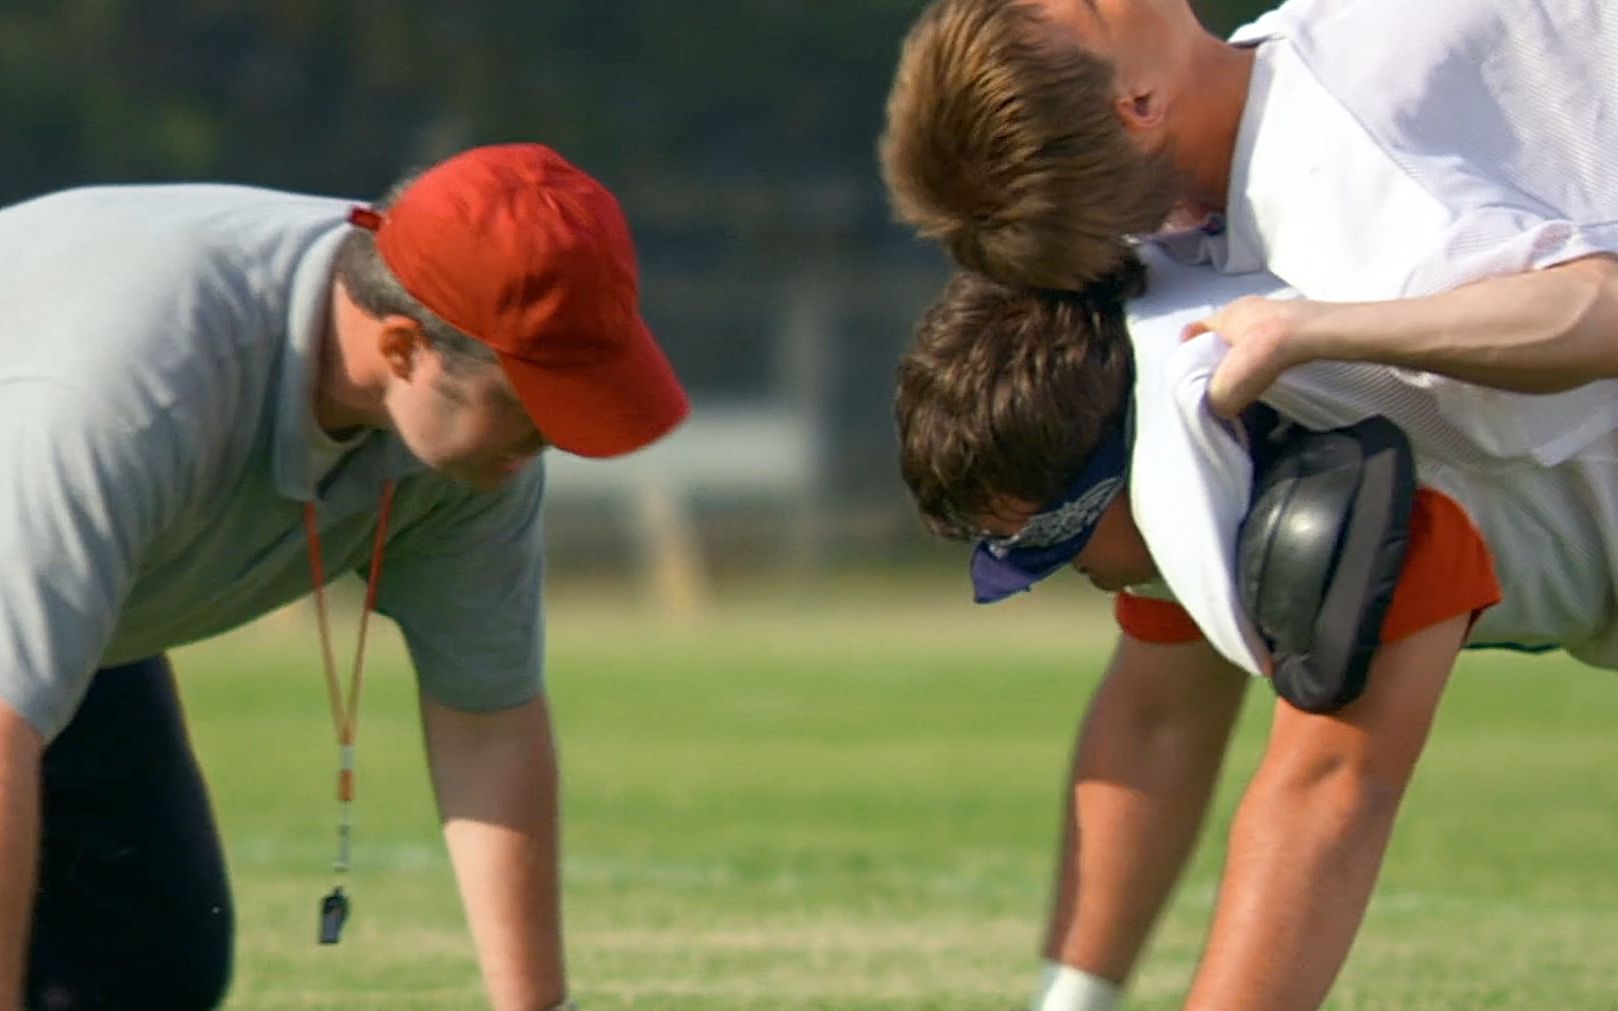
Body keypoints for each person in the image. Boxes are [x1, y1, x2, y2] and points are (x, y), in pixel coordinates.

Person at [0, 142, 689, 1011]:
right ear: (401, 347)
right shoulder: (133, 395)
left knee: (146, 965)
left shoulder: (473, 448)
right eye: (528, 406)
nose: (549, 439)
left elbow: (488, 718)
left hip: (56, 623)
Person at [894, 245, 1618, 1010]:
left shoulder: (1348, 468)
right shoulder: (1183, 415)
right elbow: (1157, 718)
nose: (1054, 572)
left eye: (1054, 540)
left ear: (1126, 471)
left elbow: (1329, 794)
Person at [879, 0, 1618, 423]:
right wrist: (1315, 329)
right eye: (1094, 8)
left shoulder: (1267, 102)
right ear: (1139, 103)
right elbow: (1597, 313)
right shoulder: (1342, 175)